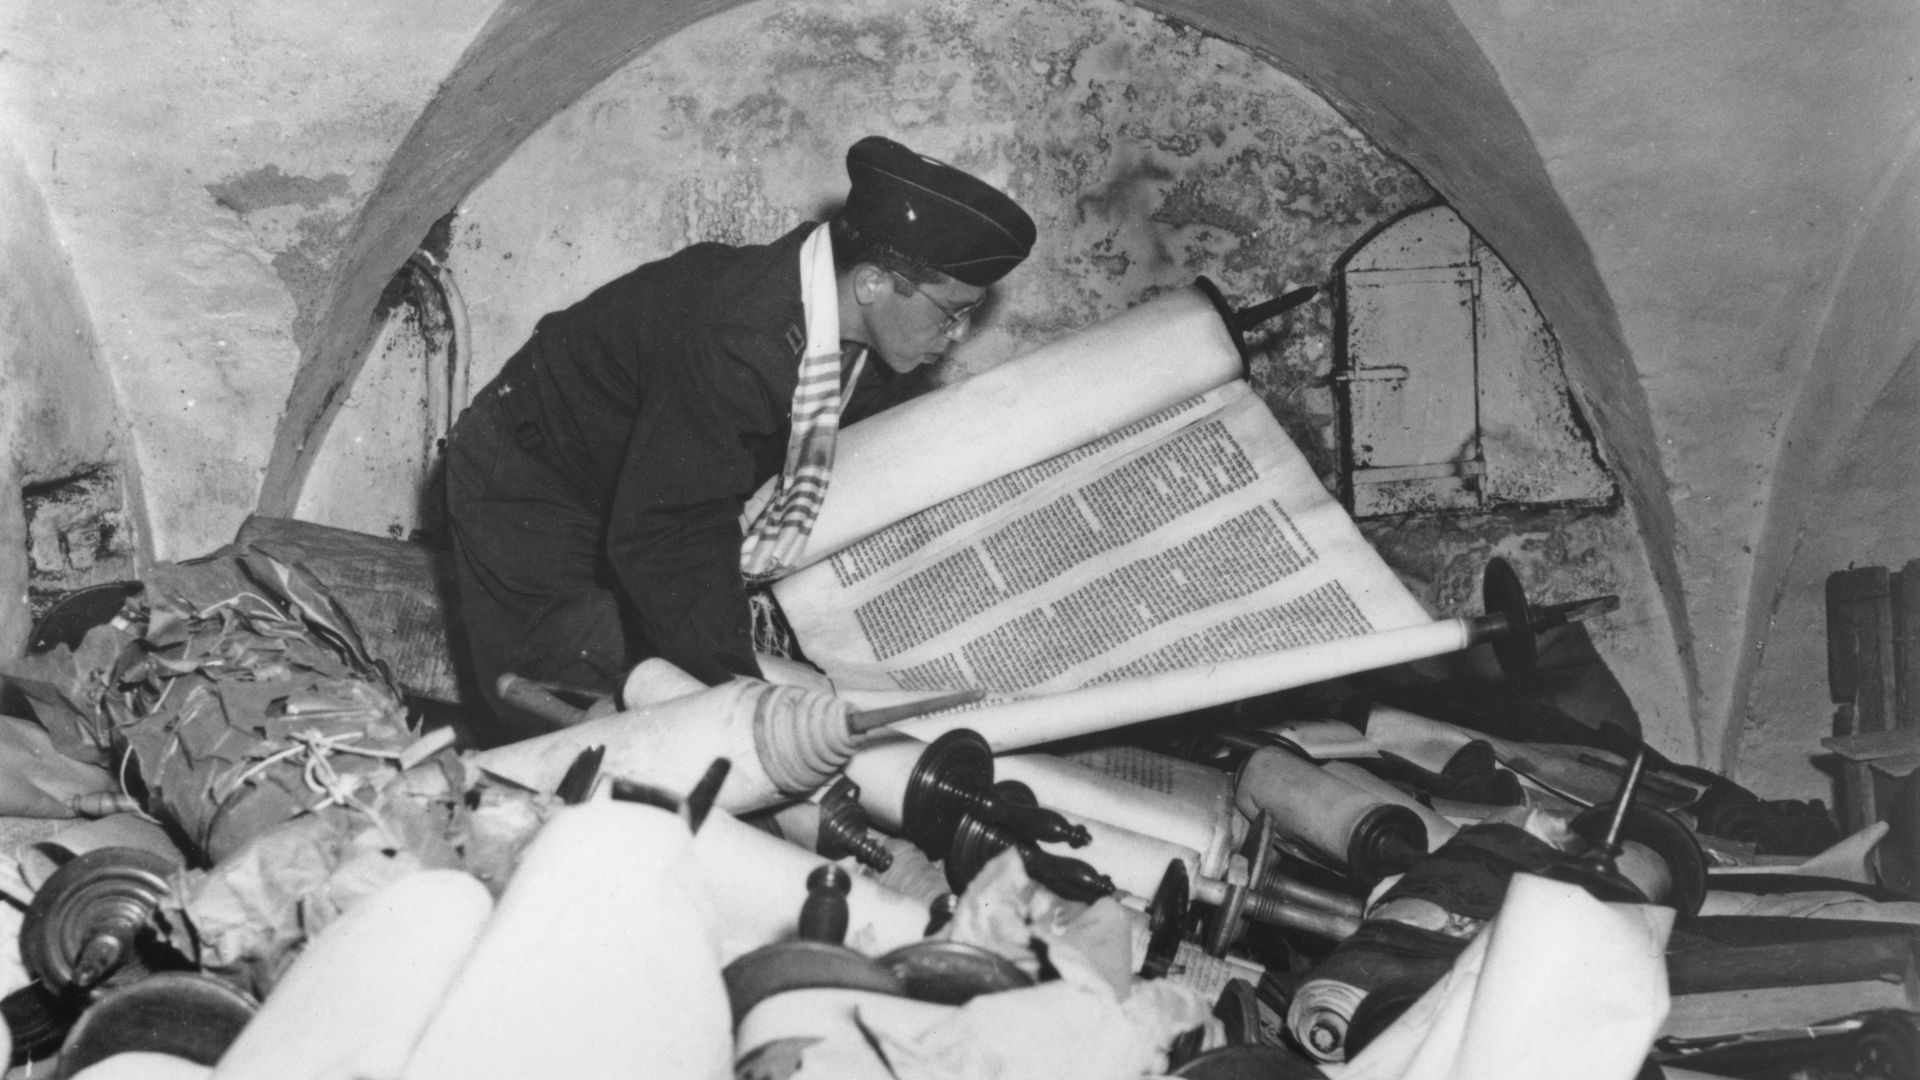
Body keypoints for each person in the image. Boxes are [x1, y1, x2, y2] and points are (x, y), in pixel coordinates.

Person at [444, 135, 1036, 747]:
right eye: (951, 311)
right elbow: (667, 530)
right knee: (581, 708)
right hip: (530, 482)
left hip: (627, 484)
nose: (959, 333)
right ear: (873, 284)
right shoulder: (739, 340)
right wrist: (738, 691)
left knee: (663, 682)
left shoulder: (857, 339)